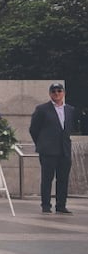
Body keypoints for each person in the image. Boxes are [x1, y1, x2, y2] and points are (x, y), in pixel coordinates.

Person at [29, 82, 75, 214]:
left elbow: (68, 128)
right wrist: (42, 143)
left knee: (63, 179)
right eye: (54, 91)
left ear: (63, 93)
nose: (56, 93)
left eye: (59, 91)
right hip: (48, 150)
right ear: (50, 94)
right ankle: (46, 205)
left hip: (64, 150)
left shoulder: (70, 109)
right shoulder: (42, 109)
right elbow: (33, 129)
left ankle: (61, 205)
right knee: (47, 179)